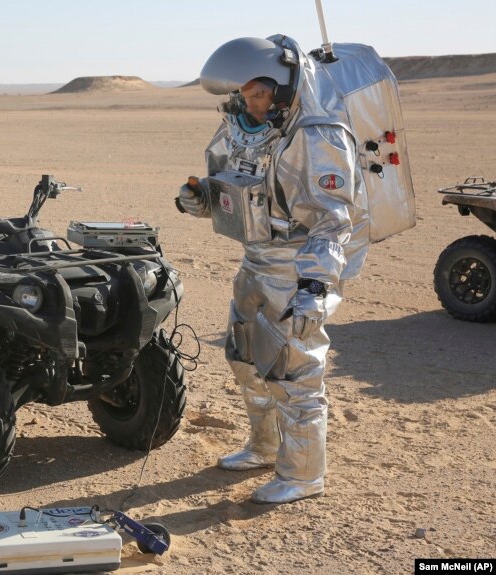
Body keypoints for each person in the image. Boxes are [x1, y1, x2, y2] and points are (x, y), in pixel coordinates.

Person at [177, 36, 369, 504]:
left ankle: (303, 474)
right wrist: (200, 199)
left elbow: (333, 220)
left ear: (282, 88)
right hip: (256, 262)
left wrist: (315, 288)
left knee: (296, 375)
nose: (251, 104)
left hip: (297, 265)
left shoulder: (317, 134)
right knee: (244, 358)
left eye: (259, 94)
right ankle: (263, 447)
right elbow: (237, 194)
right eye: (244, 94)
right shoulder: (243, 129)